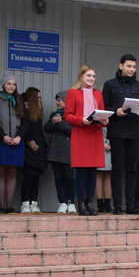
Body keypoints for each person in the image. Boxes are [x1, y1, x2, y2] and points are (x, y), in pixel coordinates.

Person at [102, 54, 139, 214]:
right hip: (116, 132)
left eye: (134, 67)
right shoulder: (110, 85)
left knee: (132, 169)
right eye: (128, 66)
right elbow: (104, 107)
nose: (131, 69)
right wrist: (115, 111)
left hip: (134, 133)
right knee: (116, 169)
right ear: (121, 66)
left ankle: (131, 206)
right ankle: (117, 206)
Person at [64, 66, 109, 216]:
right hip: (81, 134)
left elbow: (102, 113)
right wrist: (82, 120)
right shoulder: (73, 93)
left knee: (92, 171)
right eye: (88, 75)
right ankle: (81, 203)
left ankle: (90, 202)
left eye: (93, 76)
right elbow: (68, 116)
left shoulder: (98, 94)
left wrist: (105, 120)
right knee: (82, 171)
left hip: (95, 134)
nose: (91, 78)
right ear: (81, 77)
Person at [0, 74, 24, 213]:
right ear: (3, 85)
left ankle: (9, 206)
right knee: (0, 171)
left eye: (14, 84)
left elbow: (26, 121)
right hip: (1, 141)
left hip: (17, 141)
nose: (11, 86)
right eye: (9, 84)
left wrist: (19, 136)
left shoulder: (20, 100)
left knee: (12, 172)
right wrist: (3, 136)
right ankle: (1, 206)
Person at [45, 90, 75, 214]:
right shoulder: (54, 114)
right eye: (56, 100)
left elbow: (73, 131)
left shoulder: (71, 115)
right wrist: (53, 121)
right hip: (55, 153)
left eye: (60, 100)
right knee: (58, 178)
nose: (57, 102)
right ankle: (62, 202)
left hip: (68, 152)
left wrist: (61, 122)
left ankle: (71, 202)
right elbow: (46, 129)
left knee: (69, 177)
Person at [19, 87, 48, 214]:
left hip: (40, 150)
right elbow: (24, 129)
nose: (40, 100)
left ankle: (34, 202)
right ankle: (25, 203)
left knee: (36, 178)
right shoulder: (25, 112)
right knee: (28, 177)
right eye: (38, 98)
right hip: (30, 150)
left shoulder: (38, 113)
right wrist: (31, 143)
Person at [96, 126, 112, 213]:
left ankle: (107, 203)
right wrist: (101, 143)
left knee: (108, 175)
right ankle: (100, 204)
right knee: (98, 175)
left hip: (110, 146)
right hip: (97, 144)